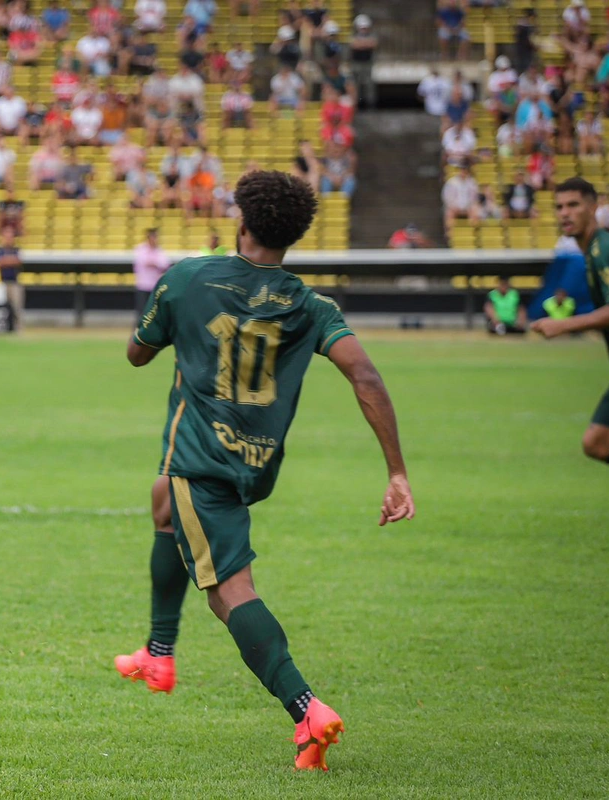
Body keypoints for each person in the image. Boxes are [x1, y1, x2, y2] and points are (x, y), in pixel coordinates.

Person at [116, 169, 415, 772]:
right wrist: (397, 473)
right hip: (255, 462)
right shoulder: (310, 304)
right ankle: (158, 651)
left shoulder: (187, 277)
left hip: (203, 460)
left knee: (230, 596)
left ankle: (307, 709)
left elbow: (138, 353)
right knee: (161, 501)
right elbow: (367, 376)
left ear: (242, 221)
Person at [531, 178, 609, 464]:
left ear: (593, 207)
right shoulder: (592, 252)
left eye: (573, 205)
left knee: (598, 442)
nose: (564, 213)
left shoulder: (604, 250)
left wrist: (563, 324)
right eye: (559, 207)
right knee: (597, 443)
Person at [132, 228, 171, 315]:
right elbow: (143, 262)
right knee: (141, 313)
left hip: (155, 286)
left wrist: (154, 264)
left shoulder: (160, 250)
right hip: (143, 285)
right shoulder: (140, 249)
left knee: (154, 313)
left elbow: (165, 264)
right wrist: (156, 264)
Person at [0, 227, 23, 331]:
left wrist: (6, 261)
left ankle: (18, 329)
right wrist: (10, 261)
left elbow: (18, 261)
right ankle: (5, 329)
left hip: (14, 283)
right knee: (3, 308)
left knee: (17, 308)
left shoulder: (16, 249)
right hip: (2, 282)